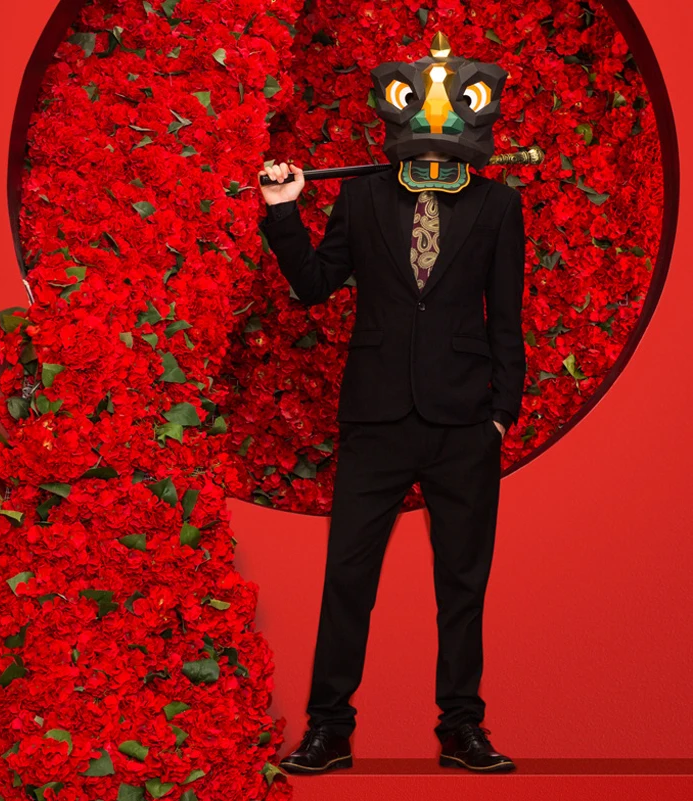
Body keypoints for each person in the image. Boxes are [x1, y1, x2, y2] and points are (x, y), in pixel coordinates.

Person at [257, 32, 526, 774]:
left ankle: (462, 728)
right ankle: (329, 729)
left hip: (463, 421)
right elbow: (314, 285)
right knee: (348, 576)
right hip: (375, 417)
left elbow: (506, 318)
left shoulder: (498, 205)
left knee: (461, 583)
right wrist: (283, 211)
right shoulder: (361, 196)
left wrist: (500, 413)